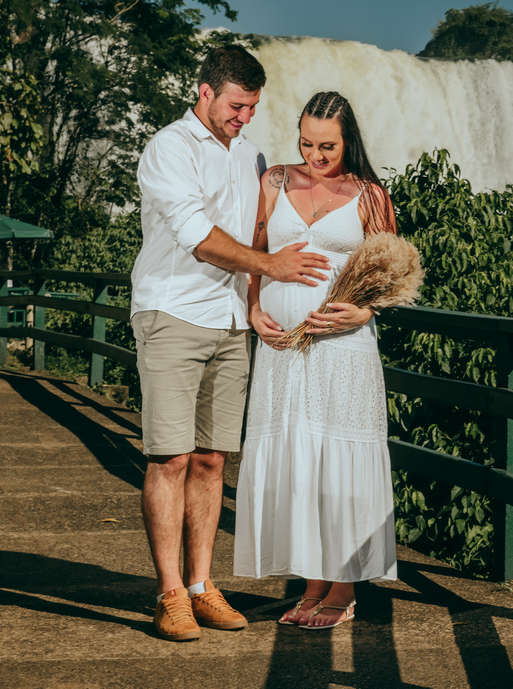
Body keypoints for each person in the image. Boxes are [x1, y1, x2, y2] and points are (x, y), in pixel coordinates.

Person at [132, 45, 332, 642]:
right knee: (169, 457)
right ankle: (169, 594)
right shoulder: (168, 148)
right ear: (205, 91)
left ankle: (201, 586)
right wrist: (272, 267)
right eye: (236, 106)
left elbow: (255, 233)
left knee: (213, 457)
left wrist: (253, 303)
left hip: (228, 322)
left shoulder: (253, 158)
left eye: (252, 108)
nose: (244, 117)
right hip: (172, 313)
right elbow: (198, 237)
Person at [234, 91, 399, 631]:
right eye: (306, 143)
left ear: (347, 140)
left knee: (338, 462)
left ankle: (344, 587)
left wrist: (364, 313)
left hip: (342, 350)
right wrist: (254, 307)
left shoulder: (370, 195)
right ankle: (311, 584)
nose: (315, 155)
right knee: (298, 459)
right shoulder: (275, 181)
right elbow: (256, 251)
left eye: (327, 145)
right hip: (282, 349)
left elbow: (390, 269)